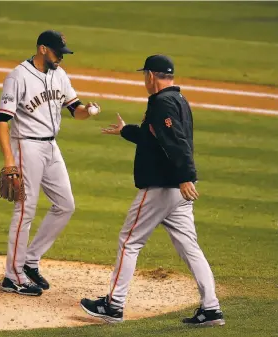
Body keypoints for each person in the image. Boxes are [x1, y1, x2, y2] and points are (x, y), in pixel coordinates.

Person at [80, 55, 225, 326]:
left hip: (162, 187)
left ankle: (113, 305)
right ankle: (211, 308)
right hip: (176, 193)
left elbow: (176, 141)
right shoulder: (177, 100)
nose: (143, 80)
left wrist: (185, 177)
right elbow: (153, 136)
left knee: (129, 242)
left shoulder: (162, 103)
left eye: (144, 75)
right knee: (190, 248)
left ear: (151, 75)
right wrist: (126, 132)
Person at [0, 30, 101, 296]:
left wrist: (87, 111)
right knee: (25, 210)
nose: (60, 59)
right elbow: (1, 120)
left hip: (51, 146)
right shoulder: (18, 76)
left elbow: (74, 109)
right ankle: (13, 276)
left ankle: (30, 261)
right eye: (57, 53)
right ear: (42, 49)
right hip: (26, 145)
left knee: (65, 205)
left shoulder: (59, 75)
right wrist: (9, 160)